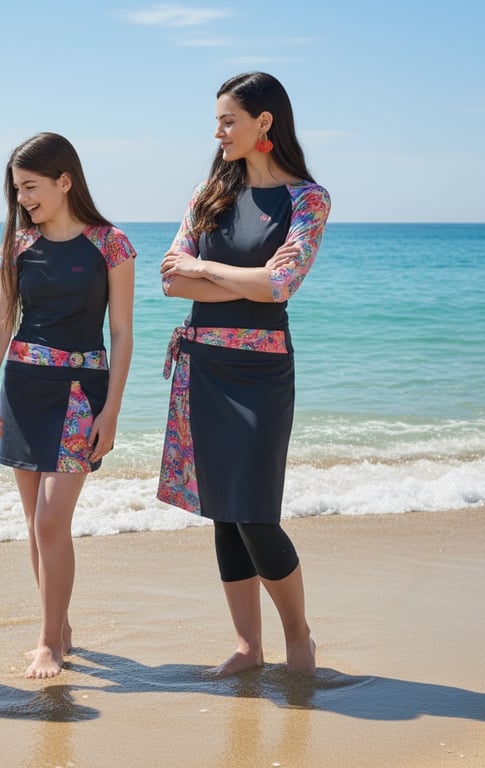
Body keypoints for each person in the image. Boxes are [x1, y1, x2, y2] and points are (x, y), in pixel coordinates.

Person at [158, 72, 331, 676]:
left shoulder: (308, 200)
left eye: (228, 120)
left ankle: (299, 638)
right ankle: (247, 647)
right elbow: (170, 280)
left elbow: (282, 284)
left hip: (261, 371)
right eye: (217, 121)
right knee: (224, 512)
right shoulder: (209, 193)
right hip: (203, 365)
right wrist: (242, 280)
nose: (219, 132)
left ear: (265, 122)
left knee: (256, 513)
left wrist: (206, 269)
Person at [0, 132, 135, 679]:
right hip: (23, 388)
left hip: (81, 392)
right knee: (34, 522)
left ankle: (48, 643)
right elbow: (0, 323)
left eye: (31, 187)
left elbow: (122, 332)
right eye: (17, 190)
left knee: (50, 520)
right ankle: (57, 629)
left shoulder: (110, 243)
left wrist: (111, 411)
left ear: (65, 181)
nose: (23, 199)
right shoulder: (17, 246)